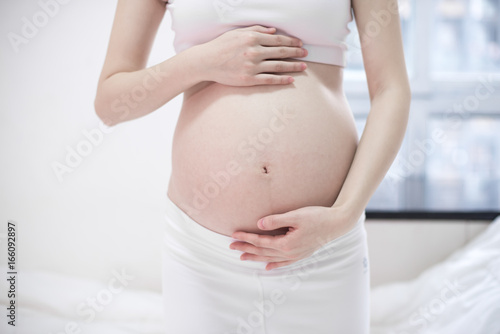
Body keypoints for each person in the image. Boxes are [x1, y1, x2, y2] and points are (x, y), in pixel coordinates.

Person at [94, 0, 410, 332]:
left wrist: (343, 215)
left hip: (324, 247)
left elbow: (392, 89)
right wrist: (200, 62)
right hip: (203, 256)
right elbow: (110, 103)